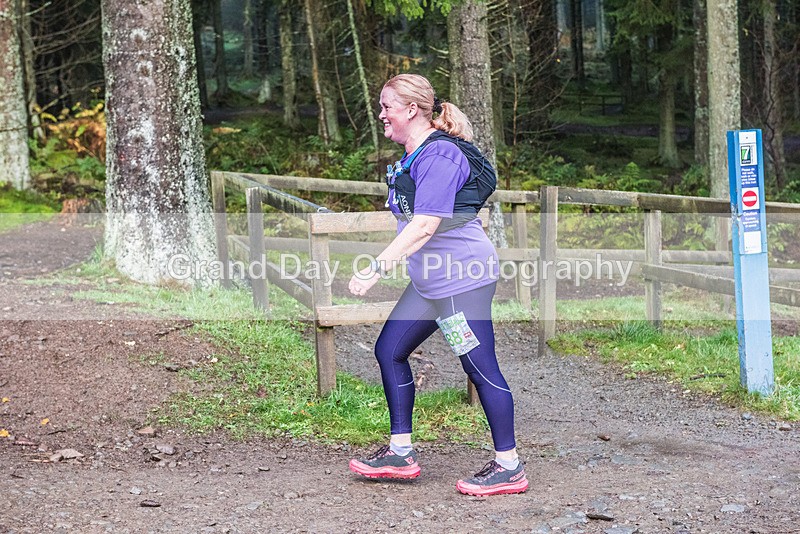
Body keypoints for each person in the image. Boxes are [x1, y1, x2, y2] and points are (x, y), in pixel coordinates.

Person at [347, 74, 528, 497]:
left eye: (386, 106)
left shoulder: (441, 155)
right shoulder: (415, 156)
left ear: (411, 110)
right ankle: (401, 453)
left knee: (480, 368)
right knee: (389, 351)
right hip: (431, 282)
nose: (381, 115)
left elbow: (425, 224)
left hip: (461, 280)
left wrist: (376, 267)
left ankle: (509, 466)